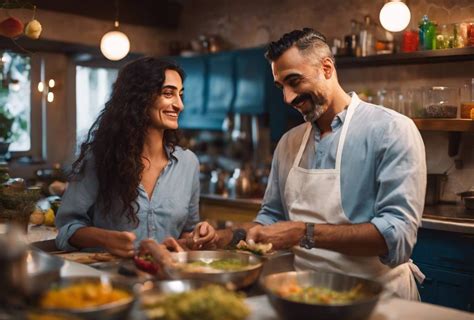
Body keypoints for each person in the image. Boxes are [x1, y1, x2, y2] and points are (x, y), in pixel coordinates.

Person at [205, 28, 427, 300]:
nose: (287, 98)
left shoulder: (391, 130)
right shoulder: (289, 143)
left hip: (381, 298)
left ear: (327, 67)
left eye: (295, 81)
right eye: (281, 87)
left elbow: (397, 237)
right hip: (307, 296)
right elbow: (270, 219)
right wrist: (221, 238)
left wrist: (304, 233)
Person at [55, 57, 214, 257]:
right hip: (110, 281)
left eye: (180, 95)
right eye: (168, 93)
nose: (179, 105)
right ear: (139, 97)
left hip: (165, 279)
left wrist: (198, 235)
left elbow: (187, 231)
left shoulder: (188, 163)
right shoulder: (99, 158)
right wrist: (106, 238)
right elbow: (66, 229)